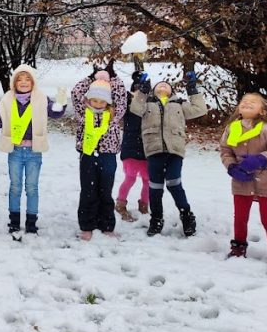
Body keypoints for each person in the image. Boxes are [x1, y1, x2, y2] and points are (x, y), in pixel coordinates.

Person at [0, 65, 67, 239]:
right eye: (20, 79)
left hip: (34, 151)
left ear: (33, 82)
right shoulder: (7, 100)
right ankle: (14, 221)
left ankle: (31, 222)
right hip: (15, 150)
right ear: (14, 82)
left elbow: (54, 114)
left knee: (32, 188)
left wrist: (61, 104)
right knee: (15, 187)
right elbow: (2, 122)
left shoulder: (41, 98)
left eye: (27, 79)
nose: (23, 82)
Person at [129, 70, 207, 237]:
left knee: (174, 182)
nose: (163, 85)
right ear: (153, 89)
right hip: (154, 151)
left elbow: (200, 109)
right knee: (155, 187)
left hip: (174, 151)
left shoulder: (179, 104)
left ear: (172, 91)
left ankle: (186, 215)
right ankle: (156, 219)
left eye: (167, 85)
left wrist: (192, 89)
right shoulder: (147, 103)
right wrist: (142, 91)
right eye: (159, 85)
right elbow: (135, 108)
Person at [219, 93, 267, 270]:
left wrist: (261, 159)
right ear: (238, 109)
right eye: (244, 101)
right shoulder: (231, 128)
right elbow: (225, 151)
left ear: (262, 111)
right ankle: (238, 247)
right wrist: (231, 167)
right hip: (242, 181)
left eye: (253, 102)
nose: (247, 103)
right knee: (240, 218)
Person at [70, 72, 126, 240]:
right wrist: (90, 78)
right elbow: (75, 93)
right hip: (88, 154)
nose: (98, 104)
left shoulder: (113, 115)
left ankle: (107, 225)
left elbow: (122, 97)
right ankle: (87, 225)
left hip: (107, 155)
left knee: (105, 191)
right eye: (94, 100)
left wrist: (113, 80)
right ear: (89, 100)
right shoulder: (83, 112)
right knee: (88, 190)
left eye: (102, 101)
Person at [116, 70, 149, 222]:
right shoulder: (128, 106)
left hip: (147, 149)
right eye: (136, 90)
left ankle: (144, 206)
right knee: (130, 178)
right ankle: (120, 204)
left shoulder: (149, 106)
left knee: (147, 180)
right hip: (130, 147)